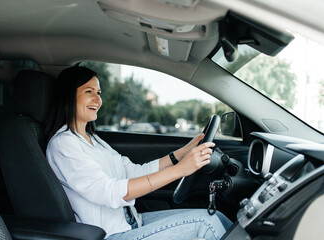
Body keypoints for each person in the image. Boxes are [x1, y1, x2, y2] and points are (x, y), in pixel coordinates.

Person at [45, 66, 232, 240]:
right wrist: (180, 170)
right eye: (89, 92)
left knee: (217, 217)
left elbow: (133, 172)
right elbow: (109, 191)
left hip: (132, 222)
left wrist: (181, 154)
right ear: (69, 95)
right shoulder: (64, 144)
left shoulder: (94, 140)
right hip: (110, 235)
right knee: (206, 224)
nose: (97, 99)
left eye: (99, 93)